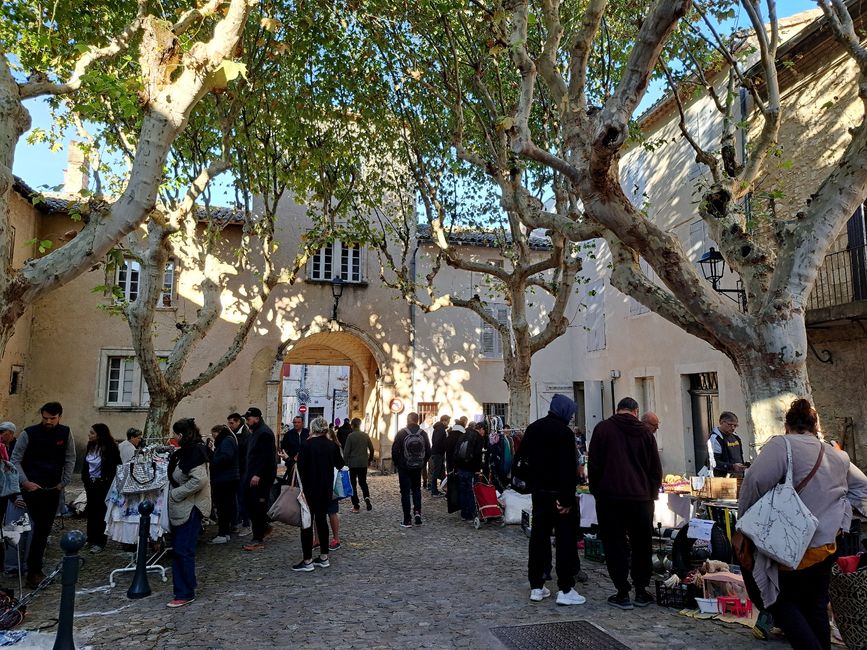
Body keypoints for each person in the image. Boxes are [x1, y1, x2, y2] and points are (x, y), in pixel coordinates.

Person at [739, 399, 867, 650]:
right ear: (815, 427)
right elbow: (862, 489)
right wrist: (840, 512)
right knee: (815, 605)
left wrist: (743, 527)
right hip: (825, 545)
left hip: (787, 544)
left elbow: (753, 484)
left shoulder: (780, 446)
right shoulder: (837, 455)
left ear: (787, 426)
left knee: (779, 602)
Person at [589, 396, 662, 610]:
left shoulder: (603, 429)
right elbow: (655, 469)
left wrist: (598, 492)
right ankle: (641, 590)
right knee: (642, 544)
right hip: (641, 499)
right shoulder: (646, 433)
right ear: (636, 411)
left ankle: (622, 592)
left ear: (617, 409)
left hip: (611, 498)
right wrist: (651, 493)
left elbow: (593, 466)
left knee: (615, 545)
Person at [515, 394, 586, 606]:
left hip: (539, 494)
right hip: (559, 495)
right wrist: (565, 499)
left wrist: (534, 484)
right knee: (564, 541)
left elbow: (521, 461)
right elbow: (566, 468)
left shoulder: (534, 428)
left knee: (539, 538)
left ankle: (537, 585)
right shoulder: (564, 433)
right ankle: (565, 588)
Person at [11, 401, 76, 588]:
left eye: (52, 419)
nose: (48, 422)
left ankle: (34, 568)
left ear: (59, 417)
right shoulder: (29, 433)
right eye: (45, 418)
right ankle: (30, 569)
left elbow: (70, 457)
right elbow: (16, 459)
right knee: (32, 529)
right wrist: (25, 482)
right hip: (32, 487)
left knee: (44, 529)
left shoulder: (65, 432)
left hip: (53, 488)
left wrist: (63, 482)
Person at [166, 418, 211, 607]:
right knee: (182, 550)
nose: (173, 437)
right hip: (186, 505)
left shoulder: (194, 452)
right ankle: (186, 587)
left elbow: (199, 480)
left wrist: (176, 494)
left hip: (190, 507)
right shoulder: (187, 451)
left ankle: (185, 592)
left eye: (176, 434)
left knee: (182, 550)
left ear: (182, 435)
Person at [293, 416, 344, 572]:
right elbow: (340, 465)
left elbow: (300, 468)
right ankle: (324, 556)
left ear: (313, 428)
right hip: (326, 489)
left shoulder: (306, 445)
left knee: (307, 523)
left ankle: (307, 559)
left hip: (309, 489)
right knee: (322, 521)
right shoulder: (332, 446)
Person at [240, 407, 277, 552]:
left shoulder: (264, 433)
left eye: (248, 419)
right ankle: (264, 528)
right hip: (252, 474)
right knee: (250, 504)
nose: (247, 422)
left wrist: (258, 474)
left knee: (257, 507)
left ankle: (258, 538)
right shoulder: (256, 432)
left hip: (261, 477)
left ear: (256, 418)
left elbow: (267, 457)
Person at [81, 423, 121, 554]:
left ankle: (100, 541)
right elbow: (86, 466)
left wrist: (108, 482)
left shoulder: (111, 448)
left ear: (100, 435)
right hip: (91, 484)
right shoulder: (90, 446)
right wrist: (86, 481)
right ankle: (91, 537)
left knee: (101, 513)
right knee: (91, 511)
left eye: (92, 433)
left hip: (103, 485)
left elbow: (116, 467)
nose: (89, 434)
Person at [392, 412, 430, 528]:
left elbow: (394, 451)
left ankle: (407, 519)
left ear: (408, 420)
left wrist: (398, 463)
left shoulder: (401, 433)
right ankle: (417, 513)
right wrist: (422, 463)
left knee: (405, 493)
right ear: (417, 420)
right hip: (417, 467)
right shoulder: (423, 434)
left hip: (404, 467)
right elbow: (428, 451)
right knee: (416, 490)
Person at [207, 424, 239, 545]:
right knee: (226, 507)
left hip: (225, 479)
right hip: (227, 478)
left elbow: (225, 458)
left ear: (219, 432)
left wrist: (211, 455)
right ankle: (225, 532)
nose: (213, 437)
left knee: (223, 507)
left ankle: (223, 533)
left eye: (214, 434)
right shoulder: (228, 440)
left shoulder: (226, 441)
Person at [454, 420, 486, 522]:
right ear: (481, 429)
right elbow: (477, 455)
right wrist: (477, 469)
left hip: (461, 468)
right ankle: (472, 514)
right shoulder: (478, 438)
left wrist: (456, 467)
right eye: (484, 431)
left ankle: (464, 513)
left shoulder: (464, 434)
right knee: (471, 491)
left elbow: (456, 451)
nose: (484, 433)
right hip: (471, 469)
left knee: (463, 491)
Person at [227, 412, 252, 536]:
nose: (230, 425)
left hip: (243, 471)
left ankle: (246, 524)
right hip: (238, 470)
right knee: (237, 498)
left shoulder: (245, 435)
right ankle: (238, 522)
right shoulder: (235, 434)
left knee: (243, 498)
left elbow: (244, 454)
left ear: (238, 422)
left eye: (231, 423)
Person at [342, 418, 374, 513]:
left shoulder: (350, 436)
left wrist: (345, 463)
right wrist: (370, 459)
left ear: (352, 425)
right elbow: (371, 449)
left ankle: (356, 505)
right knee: (363, 482)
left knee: (353, 484)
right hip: (363, 463)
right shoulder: (365, 435)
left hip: (352, 464)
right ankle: (366, 497)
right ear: (360, 425)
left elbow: (346, 452)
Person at [709, 411, 746, 477]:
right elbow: (713, 462)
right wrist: (732, 466)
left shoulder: (736, 437)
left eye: (735, 425)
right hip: (722, 478)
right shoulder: (715, 439)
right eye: (730, 425)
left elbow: (740, 456)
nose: (733, 428)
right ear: (721, 422)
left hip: (738, 475)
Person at [429, 415, 449, 496]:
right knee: (436, 472)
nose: (448, 423)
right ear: (444, 421)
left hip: (437, 453)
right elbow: (438, 442)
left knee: (440, 472)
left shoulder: (439, 428)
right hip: (438, 453)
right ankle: (434, 491)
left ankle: (443, 488)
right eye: (447, 421)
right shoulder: (440, 429)